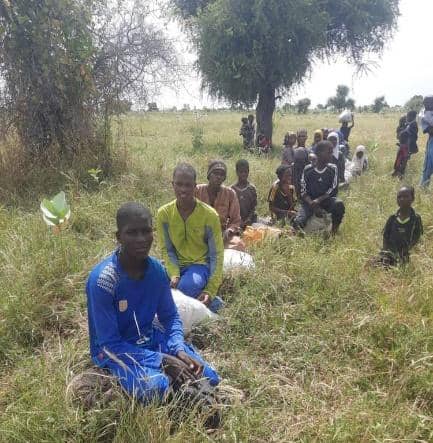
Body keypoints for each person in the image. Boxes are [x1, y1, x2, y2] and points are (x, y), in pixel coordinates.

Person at [86, 202, 220, 404]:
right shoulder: (103, 281)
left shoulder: (156, 270)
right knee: (155, 387)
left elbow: (170, 316)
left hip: (150, 338)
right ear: (119, 237)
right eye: (132, 233)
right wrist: (164, 361)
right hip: (116, 351)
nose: (141, 239)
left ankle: (183, 392)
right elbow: (109, 345)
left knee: (207, 376)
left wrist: (178, 349)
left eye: (146, 231)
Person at [157, 163, 224, 312]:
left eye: (188, 185)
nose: (183, 190)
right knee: (144, 275)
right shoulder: (164, 214)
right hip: (174, 264)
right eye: (179, 184)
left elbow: (216, 255)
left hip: (199, 266)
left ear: (195, 187)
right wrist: (174, 273)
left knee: (185, 288)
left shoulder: (209, 215)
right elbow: (167, 249)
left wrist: (210, 290)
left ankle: (213, 302)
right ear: (172, 185)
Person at [293, 141, 345, 235]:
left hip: (325, 200)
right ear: (319, 153)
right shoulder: (308, 169)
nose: (331, 154)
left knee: (339, 204)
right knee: (298, 222)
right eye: (329, 152)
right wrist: (312, 204)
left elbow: (333, 189)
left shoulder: (333, 168)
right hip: (309, 202)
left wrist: (318, 200)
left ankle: (334, 231)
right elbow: (303, 191)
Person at [195, 160, 242, 245]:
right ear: (209, 175)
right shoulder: (197, 190)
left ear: (224, 178)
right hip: (198, 233)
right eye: (216, 173)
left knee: (238, 244)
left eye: (222, 174)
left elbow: (236, 220)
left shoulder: (230, 193)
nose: (218, 177)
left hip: (221, 234)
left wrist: (229, 231)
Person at [375, 186, 423, 266]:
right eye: (399, 197)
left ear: (412, 199)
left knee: (402, 268)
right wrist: (385, 252)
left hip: (405, 253)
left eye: (406, 196)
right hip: (390, 253)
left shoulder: (415, 219)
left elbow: (417, 236)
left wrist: (407, 249)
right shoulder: (392, 218)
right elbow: (385, 236)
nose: (402, 199)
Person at [231, 159, 257, 229]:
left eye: (245, 172)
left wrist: (248, 219)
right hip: (236, 221)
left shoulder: (252, 188)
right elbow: (231, 209)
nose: (243, 174)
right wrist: (239, 221)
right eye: (241, 172)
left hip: (250, 221)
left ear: (248, 172)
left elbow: (253, 207)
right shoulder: (231, 189)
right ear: (237, 172)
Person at [293, 129, 310, 198]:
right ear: (297, 137)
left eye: (303, 136)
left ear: (306, 137)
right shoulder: (291, 149)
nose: (301, 138)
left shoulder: (309, 151)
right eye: (299, 136)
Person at [420, 96, 433, 187]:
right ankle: (424, 187)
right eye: (426, 103)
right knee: (428, 166)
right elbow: (429, 130)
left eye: (430, 102)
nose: (428, 105)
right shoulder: (423, 114)